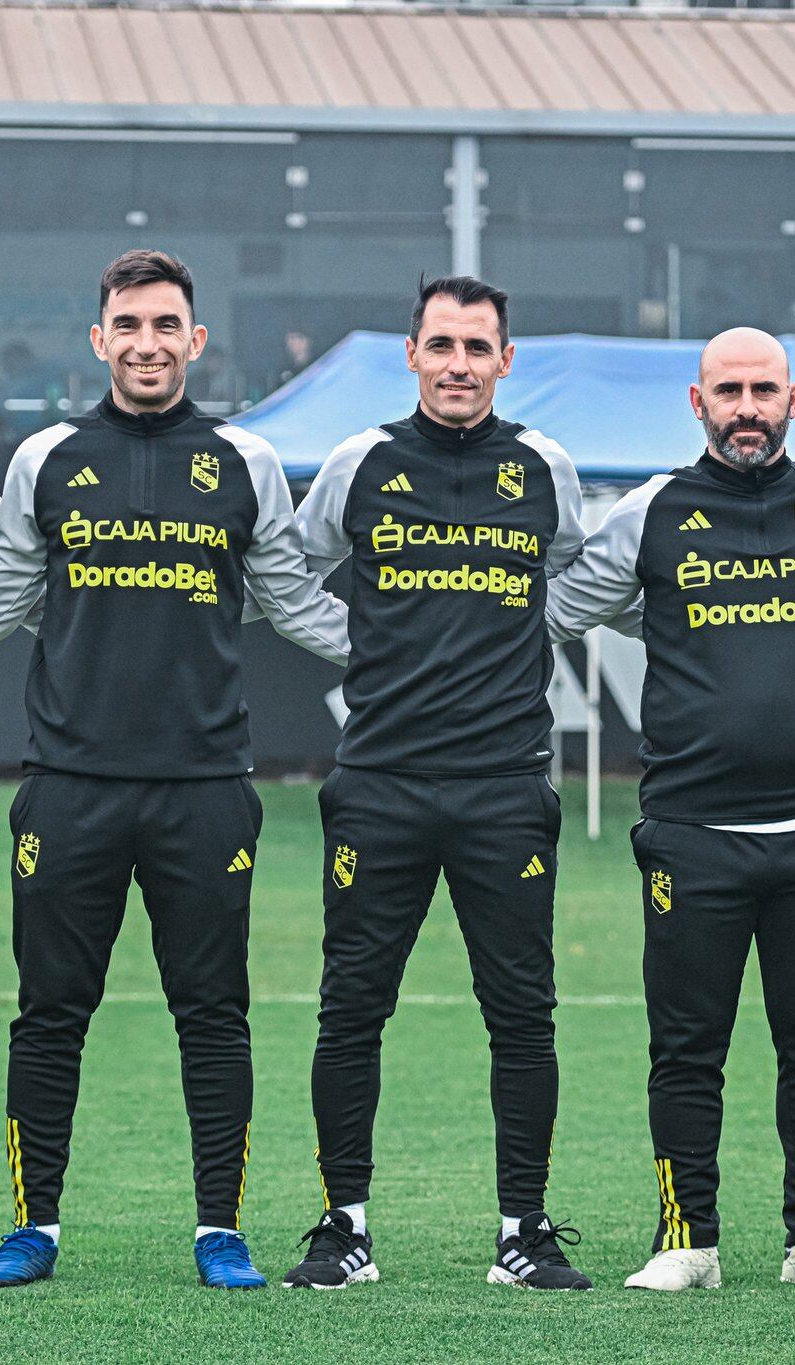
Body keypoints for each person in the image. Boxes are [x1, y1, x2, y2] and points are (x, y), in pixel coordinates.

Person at [0, 250, 349, 1290]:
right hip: (68, 787)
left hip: (205, 791)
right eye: (126, 326)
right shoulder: (45, 458)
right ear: (99, 340)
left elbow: (294, 602)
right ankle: (33, 1227)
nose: (145, 343)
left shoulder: (242, 460)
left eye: (164, 325)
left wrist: (426, 643)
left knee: (212, 1014)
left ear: (194, 340)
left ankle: (217, 1230)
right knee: (48, 1013)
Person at [546, 328, 795, 1293]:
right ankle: (686, 1239)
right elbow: (561, 608)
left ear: (793, 400)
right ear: (696, 403)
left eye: (762, 390)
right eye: (727, 391)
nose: (745, 407)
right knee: (687, 1048)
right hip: (693, 836)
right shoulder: (652, 513)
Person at [282, 275, 590, 1291]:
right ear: (409, 356)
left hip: (504, 785)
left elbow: (575, 575)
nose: (458, 364)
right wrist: (362, 644)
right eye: (440, 345)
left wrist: (516, 643)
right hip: (379, 782)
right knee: (350, 1009)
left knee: (522, 1015)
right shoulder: (359, 462)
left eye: (477, 348)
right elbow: (290, 570)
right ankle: (344, 1230)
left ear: (506, 361)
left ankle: (523, 1233)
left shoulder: (542, 467)